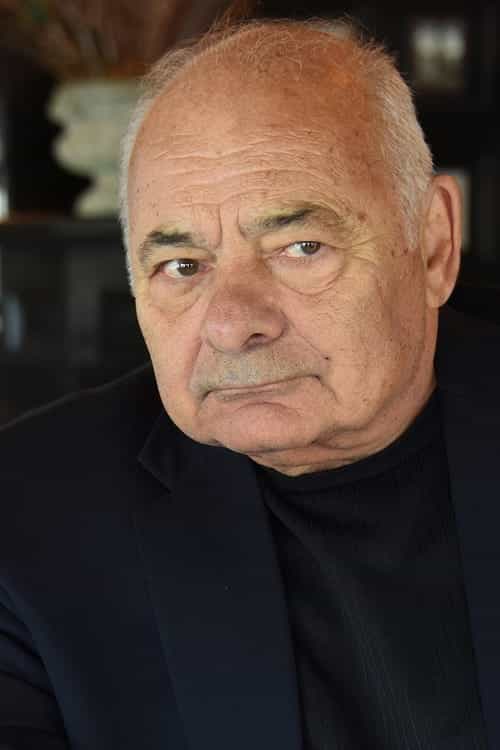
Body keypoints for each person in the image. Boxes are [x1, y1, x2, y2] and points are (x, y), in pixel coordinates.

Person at [0, 14, 498, 750]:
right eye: (182, 266)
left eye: (301, 247)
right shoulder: (25, 518)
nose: (233, 324)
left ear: (433, 246)